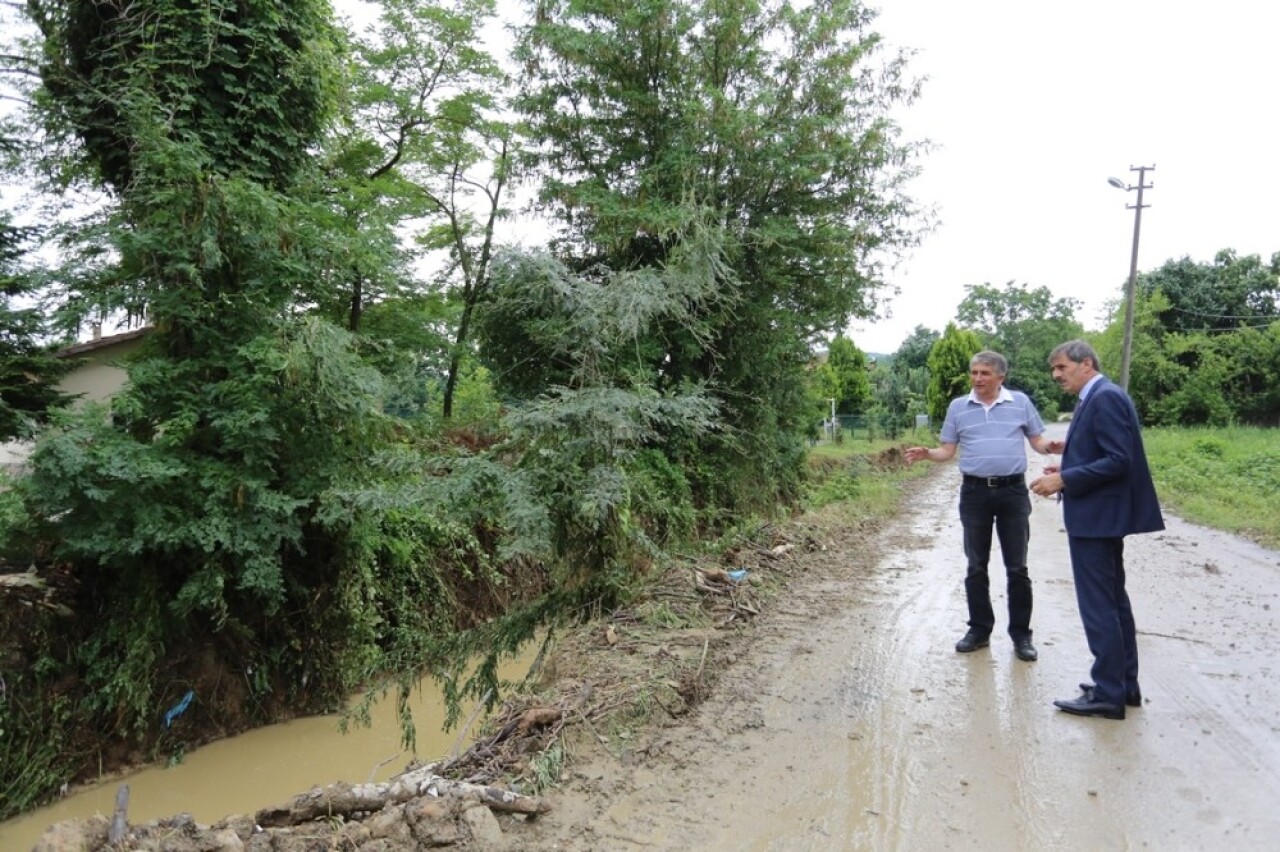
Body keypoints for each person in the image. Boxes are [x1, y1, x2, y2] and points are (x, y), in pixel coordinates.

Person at [1030, 340, 1164, 721]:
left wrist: (1065, 480)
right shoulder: (1098, 396)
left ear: (1085, 363)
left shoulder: (1103, 397)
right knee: (1114, 602)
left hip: (1097, 519)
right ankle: (1122, 686)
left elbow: (1118, 461)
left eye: (1061, 368)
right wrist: (1066, 468)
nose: (1056, 375)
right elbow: (1103, 454)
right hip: (1100, 516)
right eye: (1053, 369)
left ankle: (1108, 693)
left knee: (1099, 606)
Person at [905, 350, 1055, 661]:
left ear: (1001, 376)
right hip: (974, 493)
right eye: (974, 372)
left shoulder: (1020, 403)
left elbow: (1037, 441)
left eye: (984, 373)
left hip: (1013, 492)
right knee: (975, 565)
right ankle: (979, 630)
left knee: (1017, 568)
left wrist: (1049, 446)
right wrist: (927, 453)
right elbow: (947, 450)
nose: (977, 379)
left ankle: (1021, 636)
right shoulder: (959, 407)